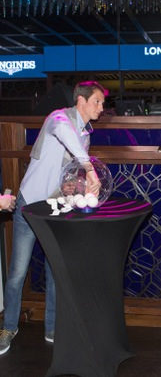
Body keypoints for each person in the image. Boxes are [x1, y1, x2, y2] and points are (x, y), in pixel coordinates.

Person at [0, 81, 106, 355]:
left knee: (55, 271)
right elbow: (66, 138)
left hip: (56, 208)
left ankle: (52, 328)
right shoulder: (58, 118)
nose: (102, 108)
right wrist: (90, 169)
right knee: (18, 274)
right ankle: (8, 327)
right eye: (97, 101)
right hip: (29, 205)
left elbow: (71, 176)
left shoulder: (85, 135)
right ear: (80, 101)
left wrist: (77, 185)